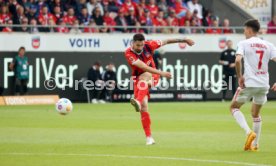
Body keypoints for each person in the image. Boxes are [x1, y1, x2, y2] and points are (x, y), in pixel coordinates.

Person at [124, 34, 195, 145]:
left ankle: (137, 100)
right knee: (144, 107)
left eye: (142, 45)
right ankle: (149, 137)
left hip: (152, 75)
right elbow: (143, 67)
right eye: (138, 45)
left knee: (146, 76)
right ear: (132, 43)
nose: (140, 47)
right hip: (138, 78)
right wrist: (163, 73)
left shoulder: (149, 45)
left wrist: (184, 40)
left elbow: (166, 40)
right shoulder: (128, 53)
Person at [230, 19, 276, 151]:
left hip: (249, 83)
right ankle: (254, 145)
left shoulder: (243, 43)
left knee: (234, 107)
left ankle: (248, 132)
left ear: (249, 30)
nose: (244, 33)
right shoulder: (268, 45)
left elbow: (238, 60)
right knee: (255, 114)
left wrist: (240, 77)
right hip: (263, 85)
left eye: (244, 30)